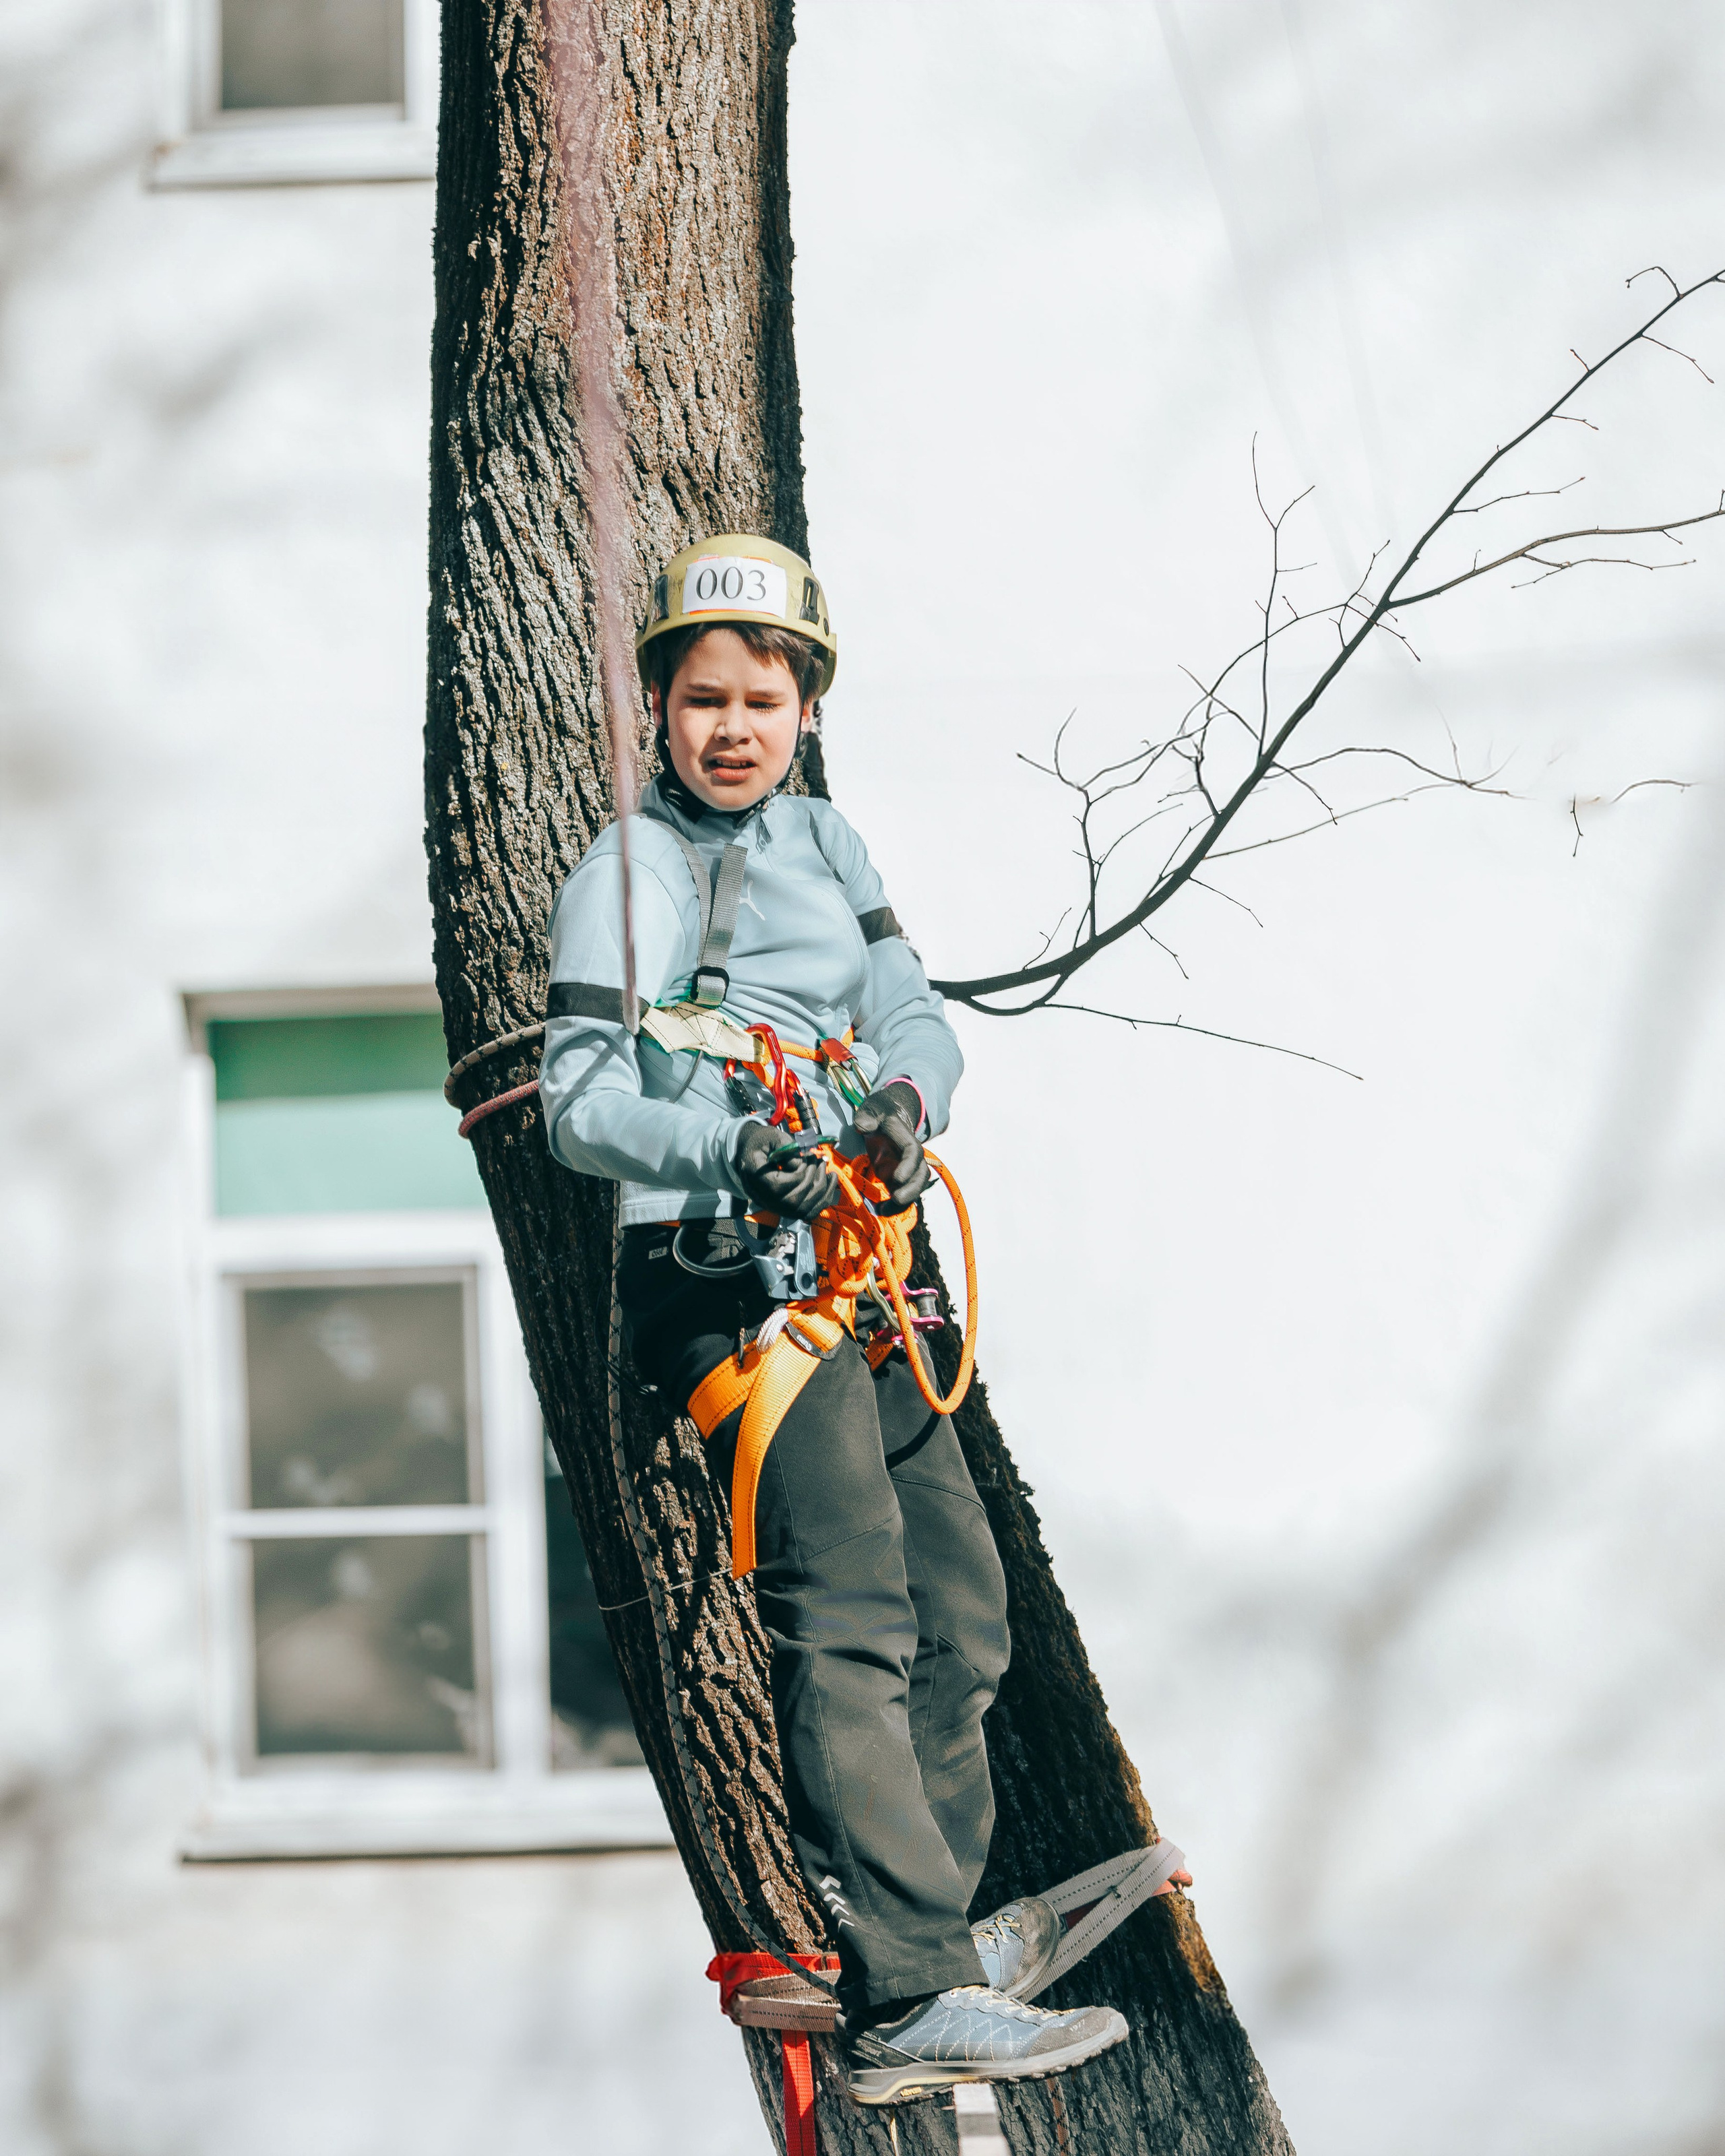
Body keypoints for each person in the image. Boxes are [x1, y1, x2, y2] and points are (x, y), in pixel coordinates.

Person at [538, 535, 1186, 2103]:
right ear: (658, 710)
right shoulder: (624, 876)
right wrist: (733, 1145)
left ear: (806, 706)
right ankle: (900, 1991)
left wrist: (905, 1102)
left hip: (859, 1261)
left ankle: (930, 1942)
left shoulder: (830, 844)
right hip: (718, 1271)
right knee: (847, 1609)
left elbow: (907, 1016)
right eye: (703, 700)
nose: (733, 727)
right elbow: (574, 1102)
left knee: (963, 1611)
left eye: (762, 697)